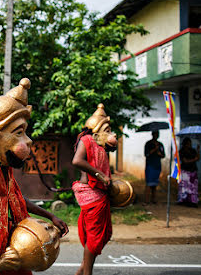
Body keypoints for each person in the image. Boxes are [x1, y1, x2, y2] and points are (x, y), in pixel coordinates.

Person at [0, 78, 68, 275]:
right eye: (19, 133)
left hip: (11, 235)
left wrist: (50, 215)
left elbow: (17, 198)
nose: (28, 141)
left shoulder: (3, 162)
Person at [72, 103, 117, 275]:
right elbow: (77, 161)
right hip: (91, 193)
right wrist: (100, 175)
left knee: (104, 234)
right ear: (97, 129)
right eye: (107, 129)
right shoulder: (87, 140)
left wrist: (111, 143)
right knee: (94, 237)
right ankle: (86, 273)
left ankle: (82, 270)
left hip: (100, 194)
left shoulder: (100, 143)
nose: (109, 132)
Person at [144, 130, 165, 205]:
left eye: (157, 134)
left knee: (155, 184)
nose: (156, 135)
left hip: (157, 166)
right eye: (155, 134)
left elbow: (163, 155)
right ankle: (146, 200)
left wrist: (159, 153)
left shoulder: (160, 144)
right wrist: (154, 150)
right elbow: (146, 154)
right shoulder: (148, 144)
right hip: (150, 166)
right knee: (149, 183)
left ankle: (154, 199)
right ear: (152, 134)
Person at [178, 137, 200, 207]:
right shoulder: (181, 151)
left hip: (193, 170)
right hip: (185, 171)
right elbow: (185, 161)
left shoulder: (193, 151)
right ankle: (184, 200)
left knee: (193, 187)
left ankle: (192, 201)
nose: (189, 145)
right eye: (187, 143)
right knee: (185, 186)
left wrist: (198, 151)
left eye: (190, 143)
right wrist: (194, 159)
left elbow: (197, 158)